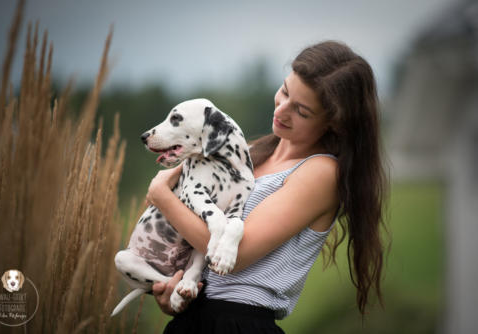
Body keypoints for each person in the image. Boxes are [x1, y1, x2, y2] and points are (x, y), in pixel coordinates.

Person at [145, 40, 387, 333]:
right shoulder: (250, 152)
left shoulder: (321, 173)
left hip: (240, 325)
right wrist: (178, 294)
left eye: (301, 111)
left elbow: (236, 256)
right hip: (197, 319)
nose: (282, 110)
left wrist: (162, 196)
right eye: (284, 91)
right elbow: (202, 254)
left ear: (334, 123)